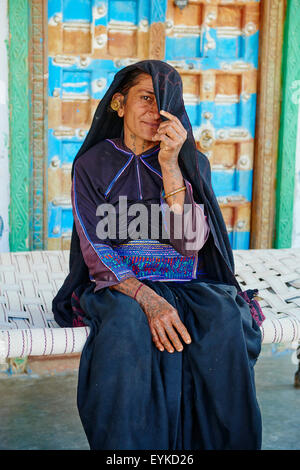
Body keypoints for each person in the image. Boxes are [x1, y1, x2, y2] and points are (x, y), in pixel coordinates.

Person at [52, 60, 265, 450]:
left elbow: (189, 245)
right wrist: (148, 299)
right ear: (118, 104)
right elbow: (95, 249)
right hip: (120, 285)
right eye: (145, 99)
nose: (155, 112)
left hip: (185, 280)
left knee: (222, 321)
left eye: (164, 103)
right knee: (124, 331)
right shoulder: (91, 165)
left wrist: (170, 165)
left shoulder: (187, 164)